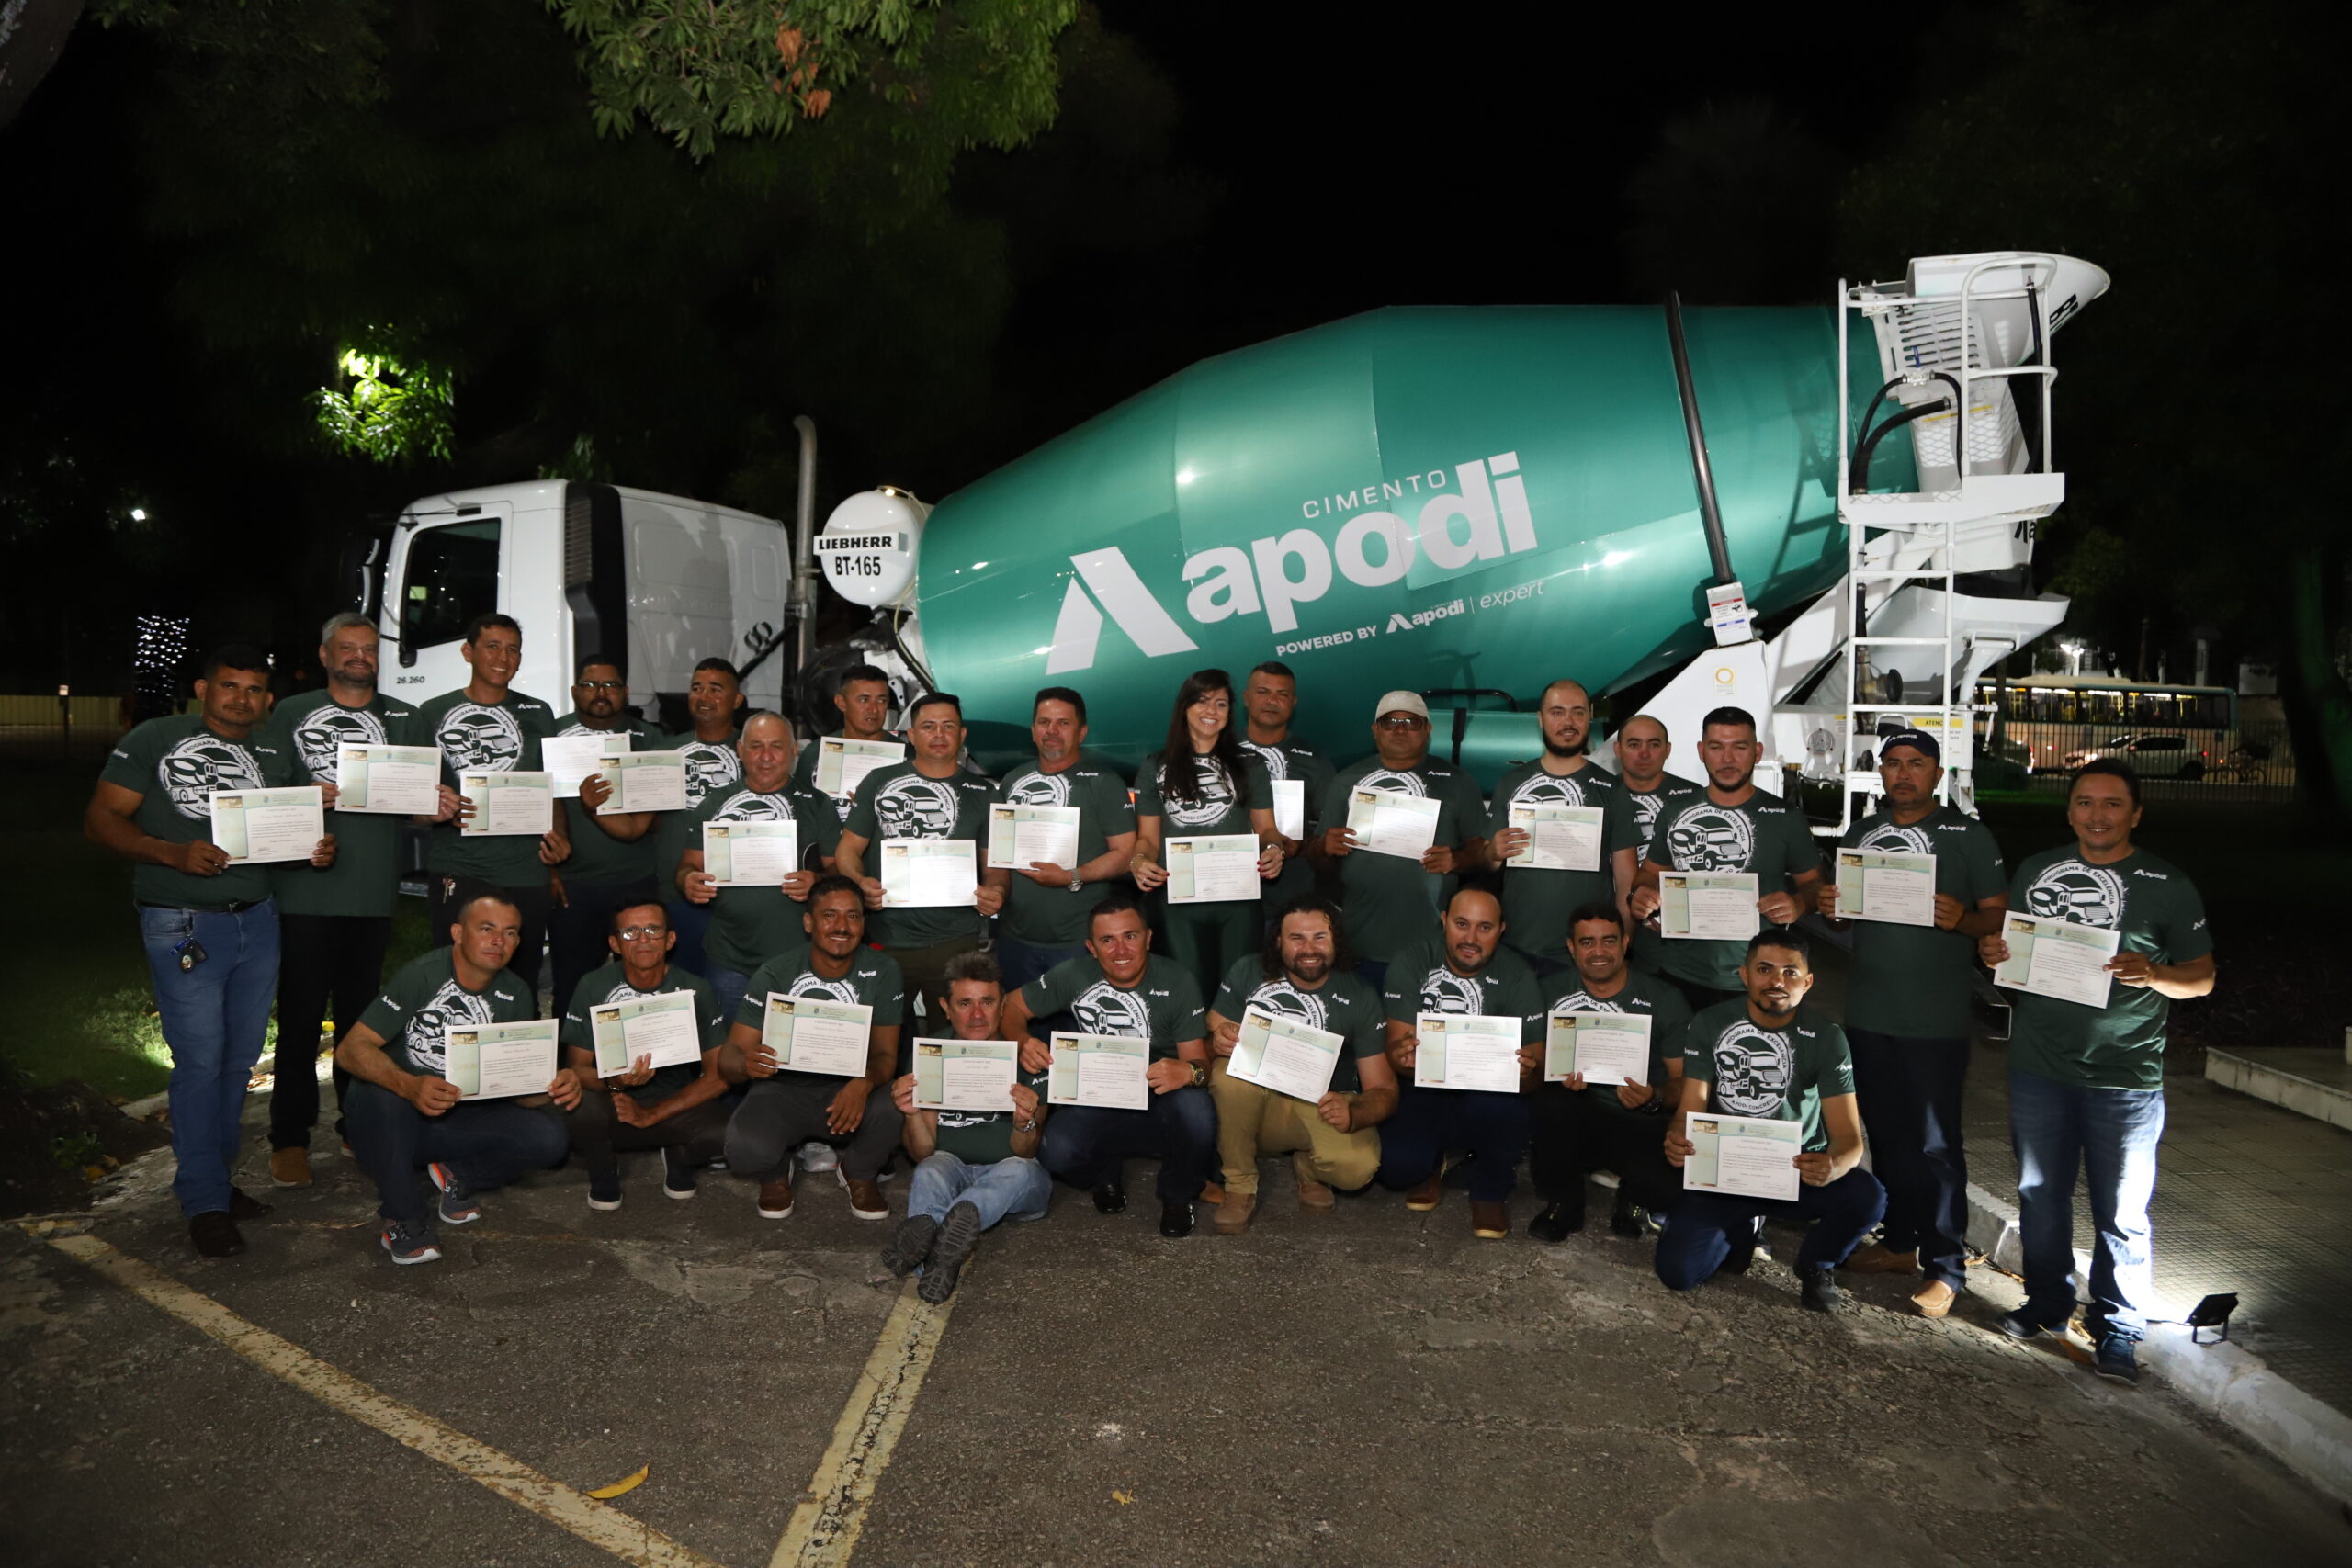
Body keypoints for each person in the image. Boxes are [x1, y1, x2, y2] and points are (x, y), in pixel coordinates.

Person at [86, 644, 334, 1257]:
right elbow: (101, 821)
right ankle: (203, 1200)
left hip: (257, 920)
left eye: (253, 689)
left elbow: (276, 828)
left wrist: (311, 846)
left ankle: (215, 1183)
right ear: (203, 688)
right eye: (229, 686)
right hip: (183, 922)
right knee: (199, 1061)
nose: (240, 698)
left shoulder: (273, 747)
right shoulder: (155, 737)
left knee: (238, 1059)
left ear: (266, 699)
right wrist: (172, 852)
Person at [1978, 759, 2215, 1385]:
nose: (2097, 815)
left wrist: (2154, 974)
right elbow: (2013, 953)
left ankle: (2119, 1327)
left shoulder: (2167, 883)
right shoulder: (2038, 870)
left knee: (2122, 1211)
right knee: (2040, 1196)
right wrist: (1993, 952)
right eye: (2085, 802)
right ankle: (2048, 1303)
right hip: (2039, 1067)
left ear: (2135, 813)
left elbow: (2204, 977)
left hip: (2125, 1078)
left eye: (2112, 804)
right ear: (2070, 810)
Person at [1816, 728, 2008, 1318]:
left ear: (1936, 773)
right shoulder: (1863, 832)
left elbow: (2000, 923)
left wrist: (1965, 921)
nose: (1903, 774)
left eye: (1916, 764)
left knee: (1936, 1146)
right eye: (1893, 764)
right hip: (1871, 1014)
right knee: (1891, 1140)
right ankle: (1901, 1243)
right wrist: (1832, 907)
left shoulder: (1968, 836)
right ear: (1880, 773)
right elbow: (1846, 922)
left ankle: (1947, 1266)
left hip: (1935, 1022)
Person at [261, 611, 434, 1186]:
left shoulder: (402, 718)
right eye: (348, 648)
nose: (360, 656)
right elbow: (263, 790)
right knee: (303, 1018)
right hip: (306, 889)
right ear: (326, 654)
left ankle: (355, 1123)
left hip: (372, 894)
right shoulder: (289, 712)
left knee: (362, 1024)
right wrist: (301, 795)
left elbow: (416, 799)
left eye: (368, 648)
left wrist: (434, 806)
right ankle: (289, 1136)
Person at [334, 895, 580, 1265]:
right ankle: (403, 1217)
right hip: (386, 1121)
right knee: (386, 1097)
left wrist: (552, 1085)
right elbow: (350, 1049)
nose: (499, 940)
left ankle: (457, 1173)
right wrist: (408, 1085)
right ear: (457, 933)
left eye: (510, 932)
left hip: (451, 1121)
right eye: (487, 929)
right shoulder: (422, 975)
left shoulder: (516, 992)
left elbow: (517, 1091)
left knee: (550, 1138)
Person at [1657, 930, 1884, 1312]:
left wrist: (1832, 1166)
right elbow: (1688, 1110)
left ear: (1807, 982)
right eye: (1764, 969)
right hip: (1726, 1170)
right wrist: (1678, 1136)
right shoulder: (1710, 1023)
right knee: (1678, 1274)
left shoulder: (1827, 1037)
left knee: (1868, 1197)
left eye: (1790, 972)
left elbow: (1849, 1139)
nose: (1777, 981)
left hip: (1794, 1169)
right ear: (1744, 974)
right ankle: (1742, 1228)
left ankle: (1817, 1264)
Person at [1001, 895, 1215, 1237]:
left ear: (1148, 937)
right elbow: (1011, 1006)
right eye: (1107, 940)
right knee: (1055, 1151)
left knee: (1197, 1112)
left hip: (1157, 1089)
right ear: (1091, 947)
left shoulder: (1178, 979)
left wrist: (1188, 1072)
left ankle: (1178, 1195)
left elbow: (1200, 1062)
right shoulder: (1073, 973)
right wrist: (1023, 1040)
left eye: (1130, 936)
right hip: (1097, 1089)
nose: (1120, 950)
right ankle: (1105, 1170)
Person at [1203, 895, 1396, 1233]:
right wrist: (1216, 1041)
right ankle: (1240, 1186)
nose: (1309, 948)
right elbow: (1206, 1039)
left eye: (1319, 937)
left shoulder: (1360, 994)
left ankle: (1309, 1168)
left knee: (1357, 1170)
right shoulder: (1248, 970)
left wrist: (1355, 1113)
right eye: (1297, 938)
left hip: (1321, 1101)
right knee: (1227, 1075)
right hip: (1257, 1101)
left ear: (1337, 940)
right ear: (1278, 942)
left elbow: (1383, 1088)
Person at [718, 875, 905, 1222]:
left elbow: (885, 1056)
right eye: (830, 915)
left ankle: (858, 1172)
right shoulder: (776, 973)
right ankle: (775, 1173)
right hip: (785, 1091)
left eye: (853, 916)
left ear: (864, 924)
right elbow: (729, 1057)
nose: (842, 926)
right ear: (809, 922)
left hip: (849, 1091)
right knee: (743, 1151)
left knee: (898, 1103)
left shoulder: (883, 970)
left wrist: (862, 1083)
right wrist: (746, 1062)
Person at [1375, 887, 1546, 1239]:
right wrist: (1402, 1057)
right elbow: (1397, 1057)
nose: (1470, 938)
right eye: (1461, 924)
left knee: (1507, 1110)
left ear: (1501, 929)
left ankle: (1491, 1188)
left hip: (1488, 1093)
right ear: (1444, 922)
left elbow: (1535, 1075)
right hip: (1423, 1086)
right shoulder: (1412, 961)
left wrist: (1526, 1073)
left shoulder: (1518, 975)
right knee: (1396, 1170)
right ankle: (1432, 1162)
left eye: (1484, 928)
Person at [882, 950, 1051, 1303]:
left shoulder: (1029, 1058)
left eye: (987, 1002)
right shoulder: (929, 1053)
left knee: (1021, 1171)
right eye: (965, 1003)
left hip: (1011, 1173)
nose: (977, 1015)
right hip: (950, 1164)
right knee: (929, 1169)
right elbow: (922, 1152)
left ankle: (937, 1240)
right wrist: (912, 1113)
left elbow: (1027, 1151)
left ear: (1002, 1004)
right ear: (945, 1006)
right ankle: (942, 1261)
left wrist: (1024, 1123)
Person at [1629, 705, 1821, 1013]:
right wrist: (1640, 894)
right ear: (1702, 751)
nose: (1728, 759)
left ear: (1757, 752)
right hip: (1680, 975)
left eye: (1739, 747)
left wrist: (1799, 904)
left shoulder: (1786, 817)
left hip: (1756, 982)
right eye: (1717, 747)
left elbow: (1814, 885)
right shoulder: (1675, 810)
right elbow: (1649, 873)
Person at [836, 690, 1005, 1027]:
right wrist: (859, 883)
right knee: (878, 1042)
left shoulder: (986, 794)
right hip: (887, 939)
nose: (939, 735)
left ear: (962, 733)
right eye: (928, 727)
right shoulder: (879, 782)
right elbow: (847, 851)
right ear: (911, 735)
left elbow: (996, 869)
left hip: (957, 944)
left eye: (948, 726)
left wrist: (997, 893)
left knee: (952, 1042)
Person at [417, 614, 566, 991]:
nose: (503, 657)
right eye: (493, 647)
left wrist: (557, 841)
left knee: (521, 980)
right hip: (460, 868)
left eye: (513, 649)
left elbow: (554, 789)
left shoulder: (539, 712)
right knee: (457, 981)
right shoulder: (431, 712)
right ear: (468, 652)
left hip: (525, 872)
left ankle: (518, 1050)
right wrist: (433, 810)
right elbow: (414, 801)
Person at [1527, 903, 1690, 1242]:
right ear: (1571, 948)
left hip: (1641, 1121)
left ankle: (1634, 1197)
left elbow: (1684, 1083)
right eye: (1587, 942)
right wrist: (1550, 1074)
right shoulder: (1548, 991)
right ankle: (1565, 1201)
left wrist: (1654, 1096)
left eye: (1609, 941)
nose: (1598, 952)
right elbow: (1533, 1065)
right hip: (1580, 1114)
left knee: (1667, 1190)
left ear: (1625, 943)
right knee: (1552, 1102)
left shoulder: (1665, 998)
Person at [1310, 691, 1490, 991]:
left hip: (1431, 946)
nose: (1400, 729)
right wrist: (1323, 846)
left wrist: (1457, 860)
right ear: (1375, 729)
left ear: (1428, 730)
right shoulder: (1346, 780)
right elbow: (1316, 858)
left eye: (1411, 722)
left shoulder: (1457, 781)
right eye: (1390, 722)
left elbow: (1483, 853)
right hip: (1357, 941)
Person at [560, 901, 732, 1210]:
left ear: (670, 939)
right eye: (630, 932)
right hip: (614, 1100)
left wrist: (653, 1114)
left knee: (729, 1136)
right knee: (578, 1109)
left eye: (653, 930)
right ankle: (604, 1169)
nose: (643, 939)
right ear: (614, 943)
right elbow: (577, 1070)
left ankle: (679, 1152)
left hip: (674, 1102)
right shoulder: (593, 985)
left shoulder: (696, 990)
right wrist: (616, 1080)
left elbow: (718, 1075)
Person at [1129, 668, 1283, 1000]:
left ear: (1230, 714)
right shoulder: (1155, 766)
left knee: (1238, 995)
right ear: (1184, 707)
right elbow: (1148, 839)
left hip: (1238, 898)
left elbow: (1268, 829)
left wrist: (1274, 850)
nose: (1211, 711)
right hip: (1178, 900)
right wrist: (1139, 861)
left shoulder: (1250, 764)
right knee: (1189, 995)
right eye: (1202, 701)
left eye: (1221, 704)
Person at [673, 711, 838, 1019]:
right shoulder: (714, 803)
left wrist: (818, 881)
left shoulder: (817, 803)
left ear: (793, 751)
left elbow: (840, 874)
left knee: (793, 1056)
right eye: (756, 746)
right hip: (729, 959)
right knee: (730, 1056)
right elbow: (686, 866)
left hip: (799, 959)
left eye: (776, 746)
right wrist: (688, 881)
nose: (765, 757)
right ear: (740, 750)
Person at [985, 687, 1137, 992]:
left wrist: (1072, 876)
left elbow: (1126, 855)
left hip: (1079, 941)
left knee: (1077, 1035)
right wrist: (996, 889)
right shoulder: (1012, 781)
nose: (1051, 731)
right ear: (1032, 730)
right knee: (1020, 1032)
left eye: (1063, 723)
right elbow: (996, 854)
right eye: (1044, 722)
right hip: (1015, 939)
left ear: (1082, 732)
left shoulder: (1104, 781)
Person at [1487, 678, 1640, 976]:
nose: (1568, 722)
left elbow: (1626, 883)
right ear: (1540, 718)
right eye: (1557, 712)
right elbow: (1486, 862)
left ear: (1590, 717)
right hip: (1515, 948)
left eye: (1578, 712)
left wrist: (1623, 948)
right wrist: (1491, 852)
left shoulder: (1613, 790)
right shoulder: (1511, 783)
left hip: (1586, 956)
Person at [547, 655, 666, 1013]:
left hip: (636, 883)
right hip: (573, 887)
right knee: (571, 986)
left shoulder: (650, 739)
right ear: (574, 692)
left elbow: (652, 820)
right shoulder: (553, 737)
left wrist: (593, 808)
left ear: (626, 692)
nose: (600, 693)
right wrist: (550, 870)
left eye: (611, 685)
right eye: (590, 685)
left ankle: (638, 1063)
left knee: (640, 985)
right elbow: (540, 803)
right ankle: (569, 1064)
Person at [654, 656, 748, 976]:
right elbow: (638, 824)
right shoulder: (664, 752)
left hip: (740, 899)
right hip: (677, 894)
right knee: (684, 991)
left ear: (737, 699)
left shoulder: (757, 754)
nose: (704, 697)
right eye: (697, 688)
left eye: (715, 689)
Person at [1235, 660, 1335, 917]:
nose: (1271, 701)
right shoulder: (1217, 752)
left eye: (1282, 694)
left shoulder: (1315, 761)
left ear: (1293, 703)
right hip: (1226, 886)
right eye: (1263, 692)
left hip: (1290, 898)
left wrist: (1301, 846)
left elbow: (1330, 835)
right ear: (1246, 698)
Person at [793, 662, 899, 822]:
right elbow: (802, 813)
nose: (874, 709)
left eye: (881, 700)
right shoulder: (815, 754)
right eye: (864, 700)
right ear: (841, 703)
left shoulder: (907, 754)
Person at [1611, 714, 1676, 976]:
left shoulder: (1694, 798)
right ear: (1618, 750)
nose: (1644, 753)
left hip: (1667, 937)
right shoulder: (1598, 794)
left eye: (1654, 744)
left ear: (1668, 749)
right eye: (1634, 744)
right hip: (1604, 929)